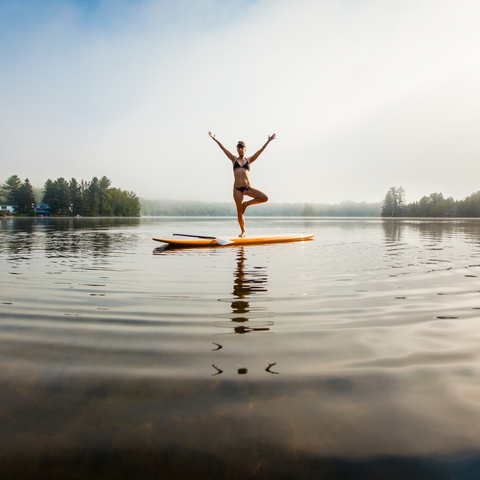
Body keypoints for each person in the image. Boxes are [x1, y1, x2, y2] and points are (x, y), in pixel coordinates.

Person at [208, 131, 276, 237]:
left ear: (245, 149)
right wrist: (214, 138)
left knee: (265, 198)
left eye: (242, 147)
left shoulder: (249, 160)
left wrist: (268, 141)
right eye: (238, 148)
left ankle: (246, 204)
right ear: (237, 149)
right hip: (237, 189)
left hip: (248, 187)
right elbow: (223, 149)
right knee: (240, 212)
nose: (240, 149)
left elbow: (260, 151)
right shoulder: (234, 159)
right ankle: (243, 231)